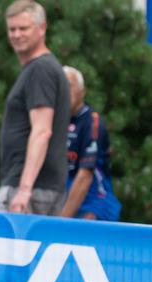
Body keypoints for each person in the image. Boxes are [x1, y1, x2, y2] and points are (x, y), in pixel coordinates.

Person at [0, 1, 71, 216]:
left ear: (42, 28)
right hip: (38, 188)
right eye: (12, 29)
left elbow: (42, 131)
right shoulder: (40, 69)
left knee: (1, 249)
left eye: (23, 28)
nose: (16, 35)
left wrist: (24, 189)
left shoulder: (41, 70)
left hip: (30, 190)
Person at [59, 66, 122, 221]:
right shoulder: (53, 120)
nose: (64, 91)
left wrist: (60, 222)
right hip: (61, 199)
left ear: (82, 91)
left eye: (69, 86)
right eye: (59, 86)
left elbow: (84, 177)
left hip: (94, 202)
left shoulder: (92, 122)